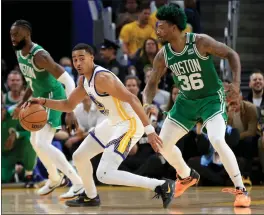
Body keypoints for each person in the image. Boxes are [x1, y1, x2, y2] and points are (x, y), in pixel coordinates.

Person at [28, 43, 175, 208]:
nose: (77, 63)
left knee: (104, 174)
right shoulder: (84, 79)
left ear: (92, 58)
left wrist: (150, 131)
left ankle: (160, 185)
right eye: (75, 59)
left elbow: (133, 99)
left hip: (129, 124)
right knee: (79, 156)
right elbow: (69, 105)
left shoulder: (102, 78)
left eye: (82, 59)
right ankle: (91, 196)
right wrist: (43, 101)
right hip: (113, 123)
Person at [142, 4, 251, 207]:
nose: (157, 30)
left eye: (161, 26)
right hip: (186, 102)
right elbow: (150, 85)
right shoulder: (163, 54)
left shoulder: (200, 42)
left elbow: (231, 55)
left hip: (211, 98)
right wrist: (146, 103)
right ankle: (185, 176)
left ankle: (241, 190)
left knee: (217, 140)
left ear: (174, 27)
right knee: (161, 144)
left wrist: (235, 84)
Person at [10, 20, 83, 199]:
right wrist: (21, 104)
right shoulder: (20, 52)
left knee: (42, 144)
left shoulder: (40, 55)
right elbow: (31, 81)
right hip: (38, 98)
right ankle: (54, 178)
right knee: (36, 144)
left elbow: (67, 79)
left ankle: (78, 182)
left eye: (16, 34)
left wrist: (70, 109)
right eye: (11, 35)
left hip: (54, 97)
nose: (13, 38)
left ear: (27, 34)